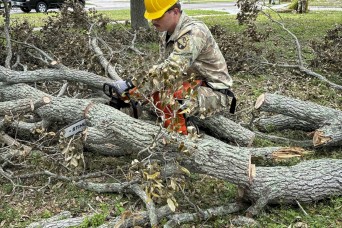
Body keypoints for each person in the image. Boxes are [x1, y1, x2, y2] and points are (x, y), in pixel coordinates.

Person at [109, 0, 235, 135]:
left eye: (158, 16)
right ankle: (120, 121)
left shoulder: (194, 32)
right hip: (191, 82)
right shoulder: (167, 32)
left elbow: (172, 69)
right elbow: (162, 71)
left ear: (175, 11)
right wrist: (134, 93)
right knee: (152, 93)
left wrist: (134, 83)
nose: (153, 20)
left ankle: (180, 138)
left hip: (214, 90)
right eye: (151, 16)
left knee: (168, 99)